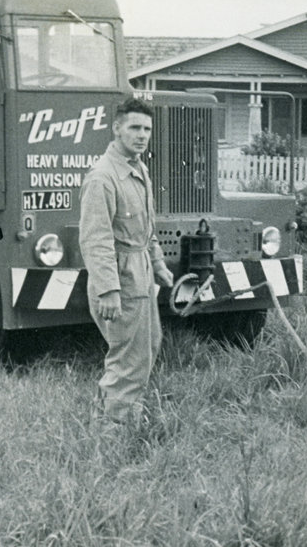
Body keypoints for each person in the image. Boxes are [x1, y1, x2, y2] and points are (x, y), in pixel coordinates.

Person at [79, 97, 174, 424]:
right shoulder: (102, 178)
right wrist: (108, 290)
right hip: (119, 278)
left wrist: (158, 264)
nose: (142, 135)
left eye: (147, 128)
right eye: (134, 127)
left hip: (141, 274)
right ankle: (113, 436)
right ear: (117, 128)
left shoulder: (138, 169)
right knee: (129, 359)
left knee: (147, 348)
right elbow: (95, 238)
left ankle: (117, 416)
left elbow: (146, 228)